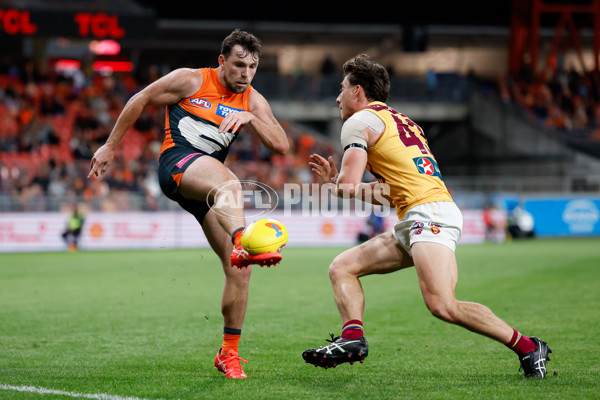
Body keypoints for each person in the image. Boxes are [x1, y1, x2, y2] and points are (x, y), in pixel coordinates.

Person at [302, 54, 551, 378]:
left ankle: (530, 348)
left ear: (357, 91)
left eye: (342, 88)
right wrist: (341, 186)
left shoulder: (357, 123)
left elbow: (352, 186)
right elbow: (391, 191)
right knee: (342, 267)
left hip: (428, 214)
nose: (337, 97)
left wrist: (341, 184)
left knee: (443, 305)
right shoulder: (403, 123)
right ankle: (352, 338)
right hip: (418, 213)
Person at [88, 29, 289, 379]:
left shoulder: (252, 100)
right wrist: (110, 146)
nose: (246, 73)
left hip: (207, 191)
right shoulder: (190, 80)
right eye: (240, 65)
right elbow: (140, 98)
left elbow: (282, 144)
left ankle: (229, 353)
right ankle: (243, 240)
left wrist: (253, 119)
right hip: (177, 164)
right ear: (222, 60)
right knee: (229, 182)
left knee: (239, 271)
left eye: (253, 67)